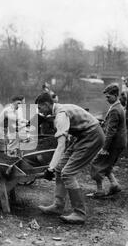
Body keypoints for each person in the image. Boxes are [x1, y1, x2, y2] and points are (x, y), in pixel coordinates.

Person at [36, 94, 104, 224]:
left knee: (67, 173)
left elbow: (61, 145)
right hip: (83, 136)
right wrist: (55, 167)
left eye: (40, 108)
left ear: (47, 104)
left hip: (92, 136)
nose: (40, 111)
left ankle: (79, 213)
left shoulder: (61, 115)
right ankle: (58, 205)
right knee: (60, 169)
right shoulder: (60, 110)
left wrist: (50, 168)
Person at [89, 84, 126, 198]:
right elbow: (112, 125)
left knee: (96, 163)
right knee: (107, 164)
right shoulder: (118, 107)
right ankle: (115, 185)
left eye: (108, 97)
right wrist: (102, 123)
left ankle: (100, 190)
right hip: (120, 142)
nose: (107, 99)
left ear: (115, 96)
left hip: (113, 144)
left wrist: (104, 148)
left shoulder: (115, 109)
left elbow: (111, 132)